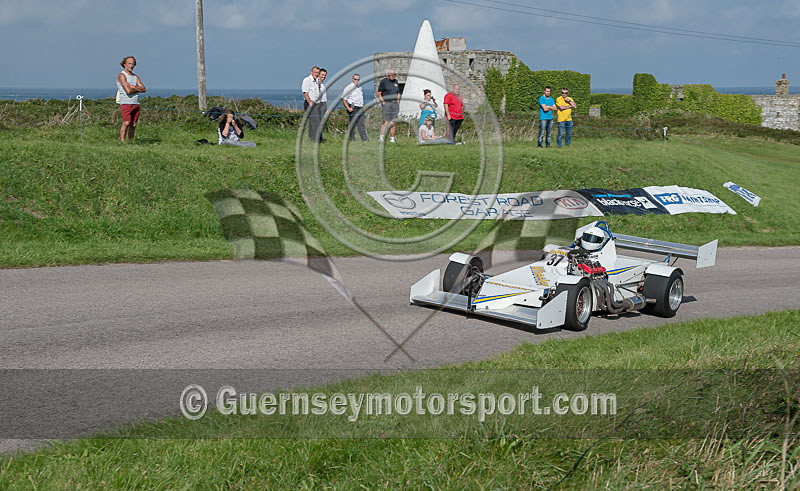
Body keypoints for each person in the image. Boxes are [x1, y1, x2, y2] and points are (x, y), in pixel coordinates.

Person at [116, 56, 146, 142]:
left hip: (136, 103)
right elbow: (128, 90)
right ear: (124, 64)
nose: (131, 65)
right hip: (126, 102)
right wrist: (137, 88)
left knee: (133, 124)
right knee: (126, 122)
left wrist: (134, 87)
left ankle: (131, 141)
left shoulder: (135, 77)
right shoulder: (121, 75)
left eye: (133, 64)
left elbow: (144, 89)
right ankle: (122, 142)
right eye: (129, 63)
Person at [342, 73, 368, 142]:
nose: (357, 81)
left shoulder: (359, 87)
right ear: (352, 79)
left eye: (358, 79)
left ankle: (364, 139)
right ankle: (352, 139)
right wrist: (348, 108)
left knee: (361, 124)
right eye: (355, 79)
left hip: (360, 107)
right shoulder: (348, 88)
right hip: (353, 107)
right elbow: (344, 99)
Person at [378, 69, 400, 143]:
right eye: (392, 74)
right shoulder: (383, 82)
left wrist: (398, 101)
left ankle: (392, 138)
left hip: (395, 104)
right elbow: (379, 93)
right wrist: (383, 102)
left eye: (394, 74)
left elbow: (398, 93)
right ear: (388, 75)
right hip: (387, 103)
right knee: (386, 122)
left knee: (393, 122)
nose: (393, 76)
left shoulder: (396, 82)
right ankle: (381, 138)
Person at [301, 66, 320, 141]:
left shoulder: (316, 81)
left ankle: (312, 138)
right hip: (310, 103)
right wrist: (310, 103)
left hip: (316, 104)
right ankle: (314, 139)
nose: (317, 74)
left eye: (318, 73)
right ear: (311, 72)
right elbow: (305, 93)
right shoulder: (307, 80)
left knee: (315, 121)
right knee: (314, 122)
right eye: (315, 72)